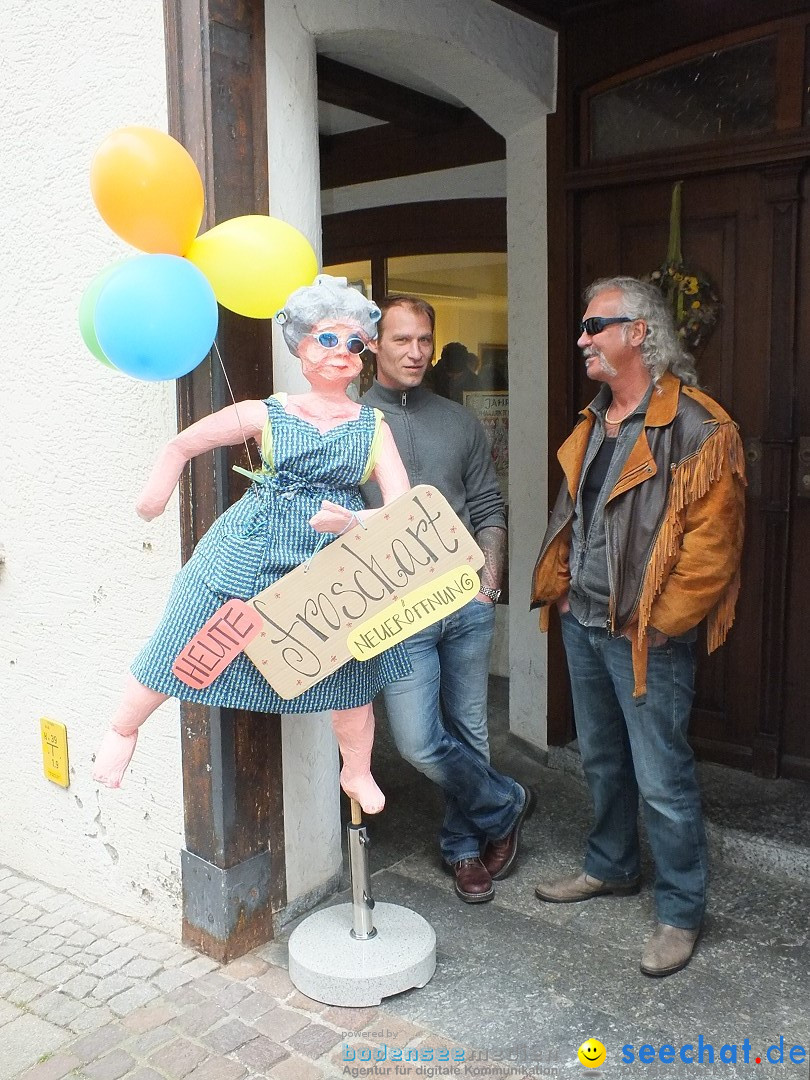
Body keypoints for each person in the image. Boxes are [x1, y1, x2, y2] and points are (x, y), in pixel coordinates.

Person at [92, 275, 414, 815]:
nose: (342, 354)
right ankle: (123, 728)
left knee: (352, 668)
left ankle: (356, 769)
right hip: (250, 548)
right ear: (301, 344)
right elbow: (184, 443)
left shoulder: (373, 426)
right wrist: (156, 491)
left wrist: (359, 520)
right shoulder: (269, 412)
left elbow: (403, 507)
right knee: (187, 632)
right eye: (328, 340)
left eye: (355, 344)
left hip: (330, 564)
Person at [531, 276, 746, 976]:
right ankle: (612, 865)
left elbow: (712, 554)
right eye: (585, 328)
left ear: (640, 333)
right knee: (600, 759)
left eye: (597, 327)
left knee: (662, 777)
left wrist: (657, 626)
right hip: (584, 623)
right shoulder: (595, 419)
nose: (582, 339)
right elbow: (579, 518)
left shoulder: (701, 429)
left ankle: (682, 912)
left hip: (644, 639)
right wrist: (563, 591)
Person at [361, 295, 534, 904]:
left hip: (464, 603)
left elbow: (489, 506)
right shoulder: (351, 425)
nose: (415, 352)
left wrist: (489, 587)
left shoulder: (458, 422)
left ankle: (463, 849)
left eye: (424, 340)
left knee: (469, 730)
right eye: (401, 340)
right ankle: (505, 801)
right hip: (397, 613)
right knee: (415, 740)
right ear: (373, 344)